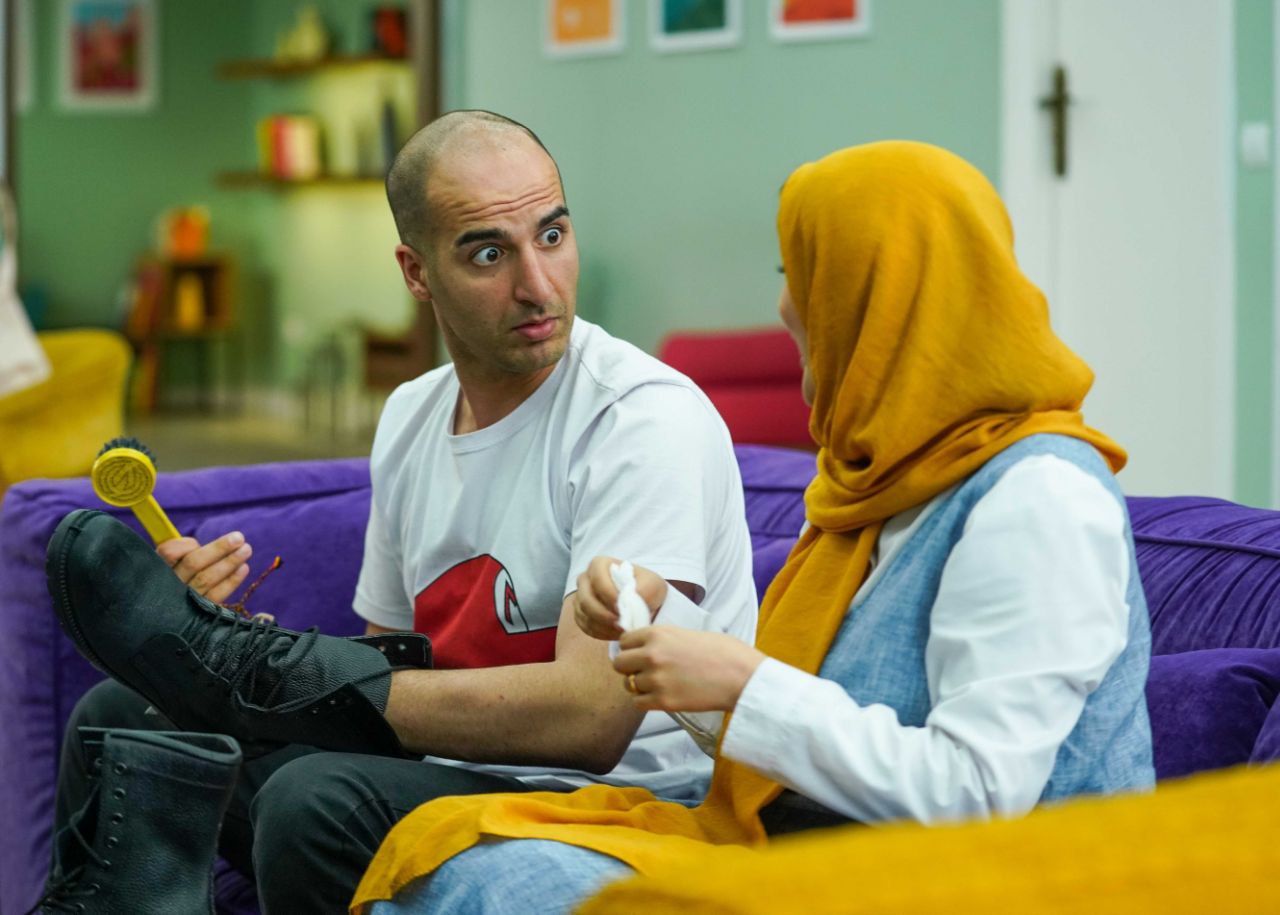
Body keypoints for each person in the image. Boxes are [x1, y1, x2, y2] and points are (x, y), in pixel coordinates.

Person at [350, 140, 1156, 915]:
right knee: (461, 861)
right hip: (832, 856)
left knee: (494, 885)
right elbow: (801, 729)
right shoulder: (884, 482)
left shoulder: (1040, 495)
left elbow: (979, 793)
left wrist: (742, 681)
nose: (785, 307)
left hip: (989, 886)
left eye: (802, 276)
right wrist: (659, 622)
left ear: (882, 301)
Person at [39, 110, 757, 914]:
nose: (538, 285)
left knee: (313, 802)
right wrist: (220, 653)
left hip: (620, 798)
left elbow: (591, 720)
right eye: (489, 253)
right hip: (460, 773)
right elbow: (394, 671)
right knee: (123, 718)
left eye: (551, 236)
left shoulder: (640, 418)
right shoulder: (412, 414)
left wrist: (255, 672)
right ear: (417, 273)